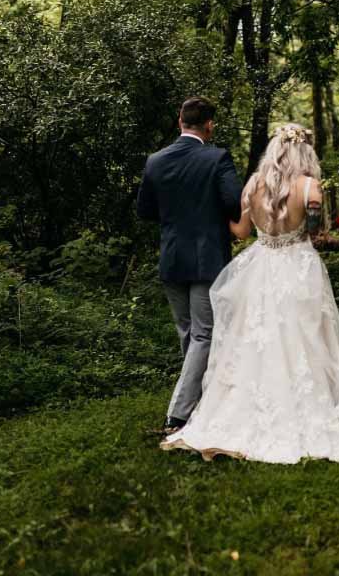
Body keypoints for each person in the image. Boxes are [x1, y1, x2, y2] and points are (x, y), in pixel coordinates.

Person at [160, 122, 339, 463]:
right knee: (303, 341)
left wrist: (208, 216)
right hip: (298, 269)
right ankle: (300, 414)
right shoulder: (310, 189)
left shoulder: (253, 186)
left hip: (259, 268)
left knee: (252, 341)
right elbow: (318, 240)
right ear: (306, 153)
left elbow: (241, 232)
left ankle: (240, 414)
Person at [137, 97, 243, 435]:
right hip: (206, 257)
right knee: (202, 335)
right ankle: (178, 415)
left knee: (190, 334)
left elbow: (145, 211)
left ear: (179, 120)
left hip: (171, 257)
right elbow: (233, 203)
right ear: (209, 124)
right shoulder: (217, 158)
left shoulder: (155, 161)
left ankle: (196, 402)